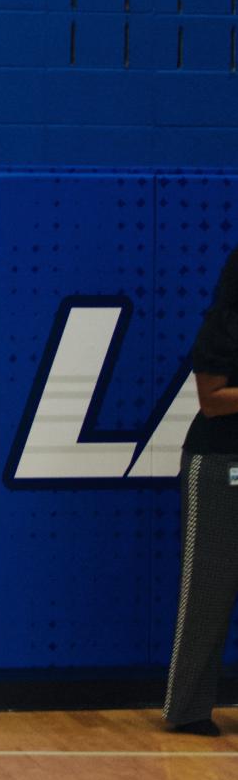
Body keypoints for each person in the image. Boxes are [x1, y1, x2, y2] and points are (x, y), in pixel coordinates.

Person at [163, 244, 238, 736]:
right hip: (222, 463)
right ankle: (187, 709)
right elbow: (212, 402)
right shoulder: (224, 326)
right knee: (208, 590)